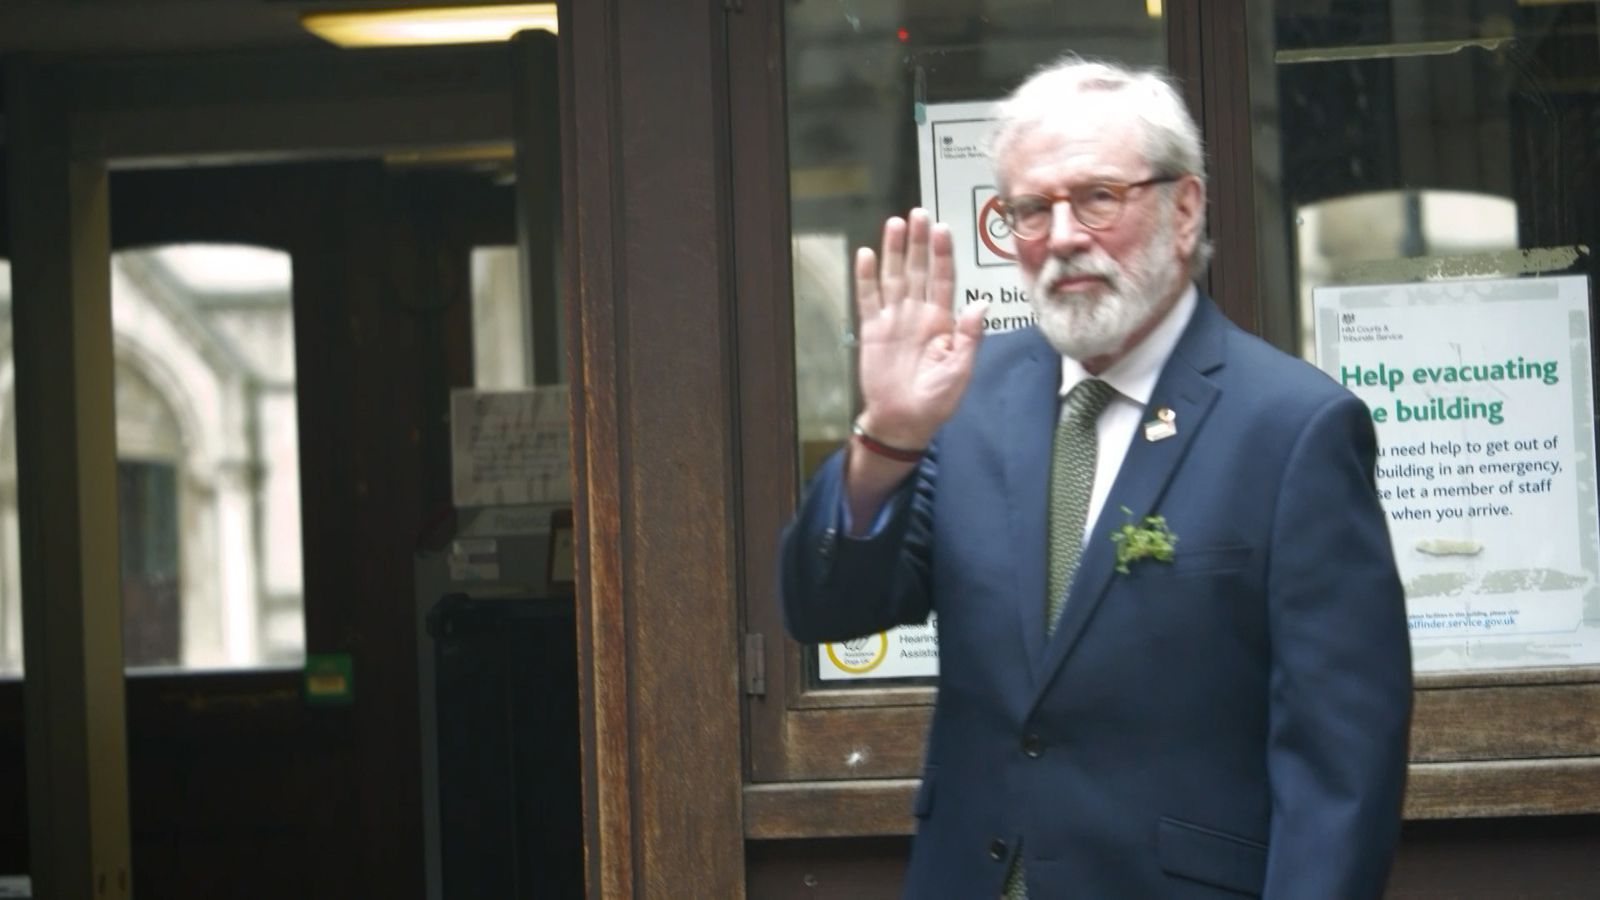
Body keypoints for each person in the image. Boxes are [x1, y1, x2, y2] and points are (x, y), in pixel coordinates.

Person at [779, 57, 1413, 899]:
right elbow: (827, 609)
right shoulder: (961, 398)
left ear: (1183, 208)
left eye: (1099, 198)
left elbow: (1342, 770)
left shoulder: (1293, 430)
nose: (1064, 235)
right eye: (1032, 209)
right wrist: (886, 441)